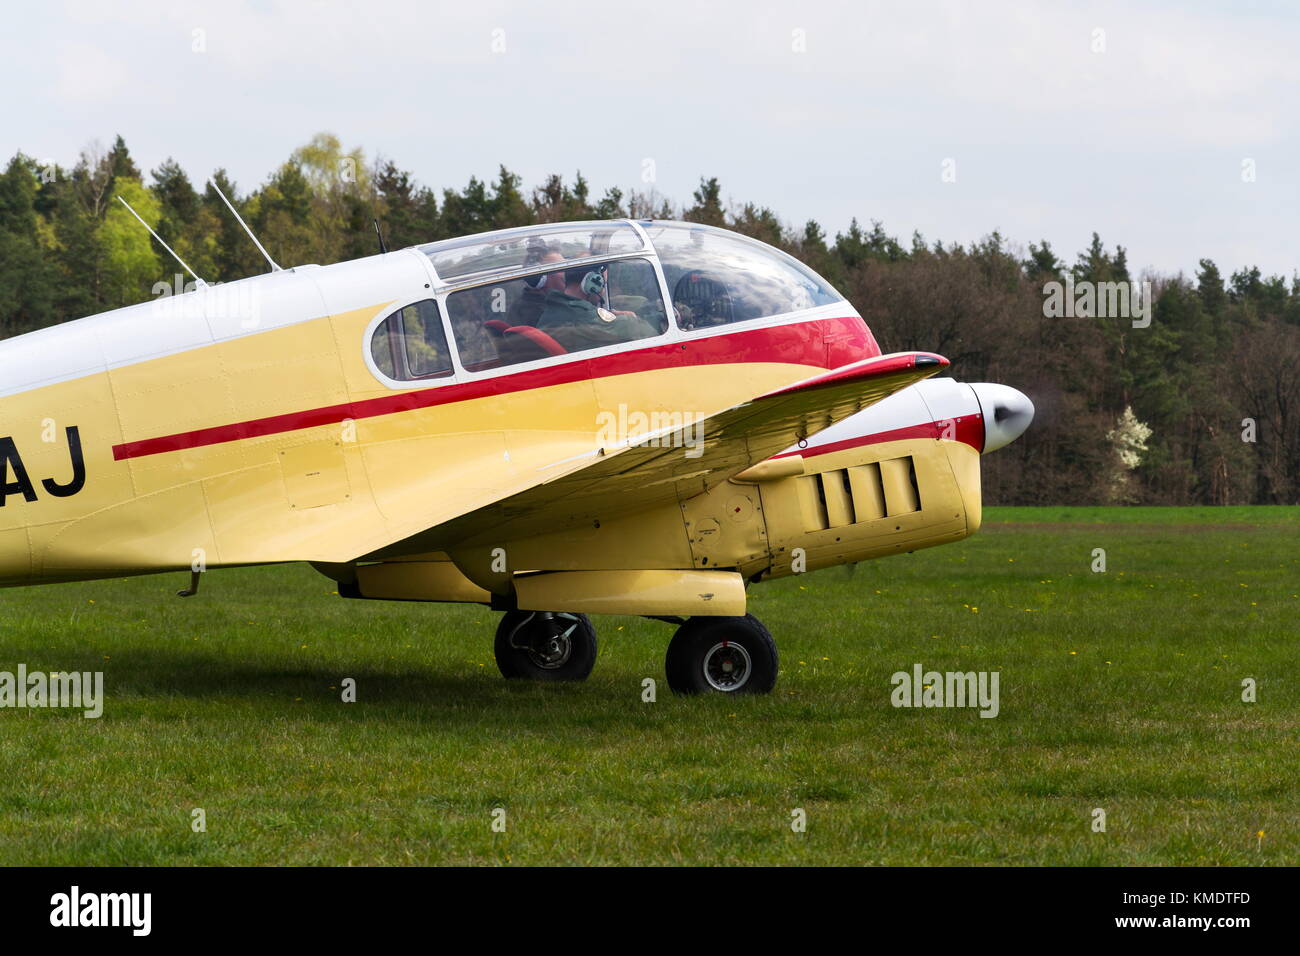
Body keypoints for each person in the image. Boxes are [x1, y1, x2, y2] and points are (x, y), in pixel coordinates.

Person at [536, 262, 658, 352]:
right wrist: (632, 318)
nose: (603, 291)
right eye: (603, 285)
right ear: (591, 283)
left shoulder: (555, 309)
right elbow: (639, 331)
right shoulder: (582, 317)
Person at [506, 249, 566, 327]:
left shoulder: (527, 304)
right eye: (562, 268)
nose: (568, 272)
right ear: (540, 279)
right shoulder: (540, 314)